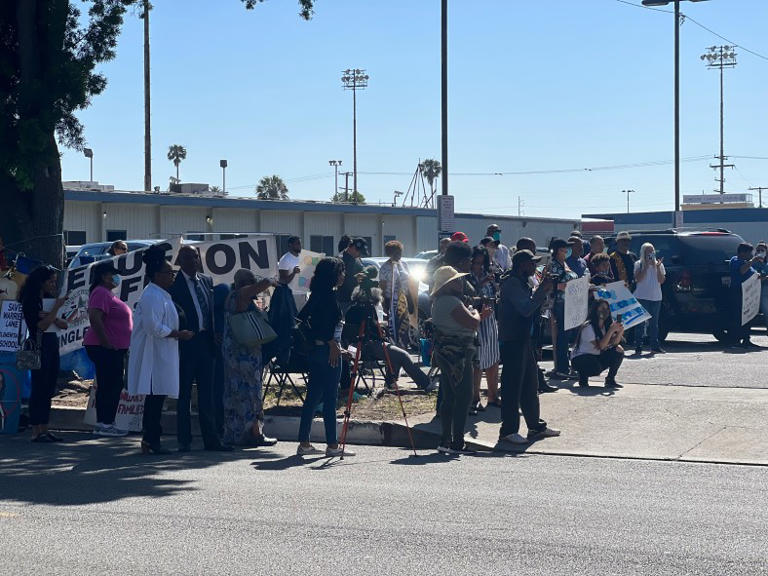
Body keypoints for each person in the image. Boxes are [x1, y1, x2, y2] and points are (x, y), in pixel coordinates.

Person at [127, 248, 193, 454]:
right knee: (155, 397)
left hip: (162, 352)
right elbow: (152, 327)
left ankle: (152, 438)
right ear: (156, 275)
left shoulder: (161, 294)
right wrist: (177, 334)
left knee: (158, 397)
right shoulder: (152, 296)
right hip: (153, 354)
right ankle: (151, 439)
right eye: (168, 273)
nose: (172, 276)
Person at [170, 245, 231, 452]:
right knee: (184, 395)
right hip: (186, 343)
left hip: (206, 342)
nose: (193, 261)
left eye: (195, 257)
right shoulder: (173, 284)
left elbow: (211, 310)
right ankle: (184, 440)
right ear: (180, 260)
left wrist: (216, 332)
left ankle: (211, 440)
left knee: (208, 394)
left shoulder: (206, 281)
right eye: (188, 257)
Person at [497, 250, 560, 445]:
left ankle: (535, 427)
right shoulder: (512, 283)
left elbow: (532, 304)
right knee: (512, 387)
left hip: (524, 339)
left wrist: (543, 289)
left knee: (530, 385)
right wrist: (543, 289)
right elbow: (525, 309)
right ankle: (508, 431)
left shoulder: (522, 281)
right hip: (513, 340)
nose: (535, 267)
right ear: (522, 265)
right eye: (532, 263)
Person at [297, 257, 354, 458]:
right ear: (333, 275)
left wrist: (325, 341)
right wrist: (331, 342)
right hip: (329, 352)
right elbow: (326, 326)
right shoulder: (329, 297)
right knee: (330, 397)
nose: (343, 276)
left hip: (316, 351)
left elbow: (301, 320)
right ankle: (332, 444)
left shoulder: (316, 295)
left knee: (312, 397)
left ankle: (304, 442)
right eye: (341, 271)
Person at [342, 282, 437, 393]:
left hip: (354, 347)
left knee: (394, 352)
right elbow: (374, 330)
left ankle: (391, 382)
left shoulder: (350, 310)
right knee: (403, 355)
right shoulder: (368, 309)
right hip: (368, 345)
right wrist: (381, 328)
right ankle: (425, 382)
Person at [221, 269, 279, 447]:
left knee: (235, 393)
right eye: (251, 281)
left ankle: (236, 434)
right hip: (244, 355)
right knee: (251, 395)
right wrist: (270, 281)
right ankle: (255, 434)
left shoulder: (232, 297)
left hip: (234, 355)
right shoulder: (240, 294)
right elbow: (252, 290)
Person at [430, 266, 480, 455]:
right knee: (464, 395)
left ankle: (445, 440)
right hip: (457, 354)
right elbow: (473, 322)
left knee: (450, 396)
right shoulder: (450, 301)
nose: (460, 282)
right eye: (456, 280)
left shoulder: (441, 301)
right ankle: (457, 442)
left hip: (447, 352)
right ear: (448, 284)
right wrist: (475, 312)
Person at [19, 266, 68, 443]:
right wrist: (55, 309)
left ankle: (45, 428)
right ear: (41, 282)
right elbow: (40, 326)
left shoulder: (48, 299)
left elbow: (63, 324)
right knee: (38, 387)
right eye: (50, 281)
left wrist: (52, 315)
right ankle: (36, 429)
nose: (53, 284)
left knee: (49, 387)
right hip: (36, 345)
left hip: (51, 344)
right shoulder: (30, 300)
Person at [83, 261, 132, 437]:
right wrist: (105, 342)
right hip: (104, 347)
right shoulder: (100, 293)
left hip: (114, 347)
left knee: (113, 384)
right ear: (104, 276)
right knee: (108, 384)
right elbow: (95, 318)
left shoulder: (107, 294)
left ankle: (106, 422)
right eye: (113, 274)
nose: (116, 278)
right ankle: (104, 423)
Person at [515, 237, 557, 394]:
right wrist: (541, 289)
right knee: (528, 355)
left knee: (534, 353)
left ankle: (537, 381)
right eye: (531, 249)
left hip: (535, 317)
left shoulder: (531, 274)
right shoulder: (514, 279)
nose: (534, 255)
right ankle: (533, 384)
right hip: (522, 326)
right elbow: (526, 303)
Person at [468, 247, 500, 409]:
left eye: (482, 262)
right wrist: (481, 283)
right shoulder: (467, 277)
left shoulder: (488, 273)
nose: (479, 266)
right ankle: (475, 398)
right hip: (476, 319)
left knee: (493, 359)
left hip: (490, 319)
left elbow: (496, 295)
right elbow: (469, 298)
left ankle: (493, 396)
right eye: (476, 262)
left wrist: (494, 285)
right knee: (478, 362)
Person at [571, 299, 625, 388]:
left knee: (618, 350)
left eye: (607, 309)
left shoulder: (606, 325)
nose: (605, 311)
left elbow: (614, 343)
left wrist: (619, 332)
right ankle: (583, 377)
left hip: (596, 355)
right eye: (602, 308)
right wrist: (611, 331)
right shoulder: (588, 327)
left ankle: (610, 379)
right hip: (582, 357)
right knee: (595, 366)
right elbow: (601, 346)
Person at [548, 238, 578, 378]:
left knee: (567, 336)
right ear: (556, 250)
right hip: (560, 304)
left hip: (569, 302)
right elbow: (553, 285)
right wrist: (567, 285)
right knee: (562, 336)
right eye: (563, 249)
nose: (566, 251)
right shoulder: (554, 265)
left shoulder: (564, 263)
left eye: (567, 248)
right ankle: (562, 367)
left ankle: (565, 365)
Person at [632, 243, 666, 355]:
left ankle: (654, 346)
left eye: (652, 251)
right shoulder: (639, 264)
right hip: (642, 296)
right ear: (643, 252)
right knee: (640, 323)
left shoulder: (659, 264)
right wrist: (646, 267)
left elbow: (661, 280)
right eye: (648, 251)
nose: (651, 254)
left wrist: (657, 267)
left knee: (654, 323)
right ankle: (638, 346)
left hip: (656, 297)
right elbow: (638, 279)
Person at [378, 240, 413, 349]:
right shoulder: (384, 268)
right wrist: (384, 305)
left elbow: (409, 282)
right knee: (393, 329)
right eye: (396, 253)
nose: (399, 255)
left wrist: (411, 299)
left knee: (404, 329)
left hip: (403, 301)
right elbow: (382, 288)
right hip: (390, 302)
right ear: (390, 253)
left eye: (400, 253)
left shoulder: (404, 265)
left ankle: (404, 349)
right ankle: (394, 354)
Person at [728, 242, 759, 349]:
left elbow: (753, 275)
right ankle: (735, 340)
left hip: (748, 293)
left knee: (748, 316)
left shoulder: (746, 262)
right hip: (738, 291)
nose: (751, 255)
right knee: (738, 317)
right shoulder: (736, 261)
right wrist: (752, 261)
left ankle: (746, 339)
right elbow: (742, 271)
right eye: (749, 253)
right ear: (742, 252)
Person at [337, 237, 366, 315]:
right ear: (352, 247)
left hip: (355, 299)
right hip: (343, 299)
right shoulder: (340, 259)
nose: (359, 254)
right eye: (358, 251)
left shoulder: (357, 259)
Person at [753, 242, 768, 333]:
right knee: (766, 312)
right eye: (758, 250)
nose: (760, 252)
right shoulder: (753, 263)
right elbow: (756, 278)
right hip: (759, 290)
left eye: (762, 250)